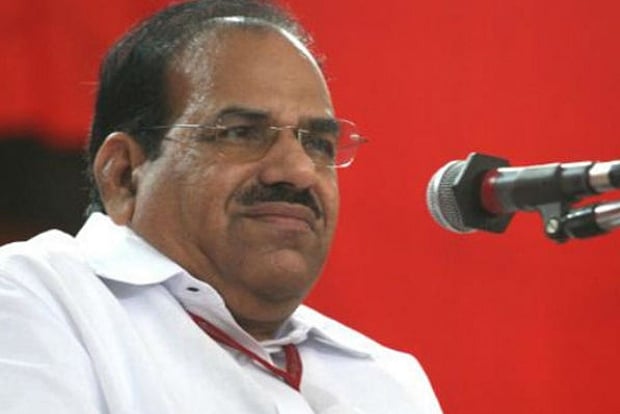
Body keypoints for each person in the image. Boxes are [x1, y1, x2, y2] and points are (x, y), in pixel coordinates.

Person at [0, 1, 442, 412]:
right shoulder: (34, 298)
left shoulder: (387, 382)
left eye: (318, 144)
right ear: (124, 174)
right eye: (241, 133)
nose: (298, 170)